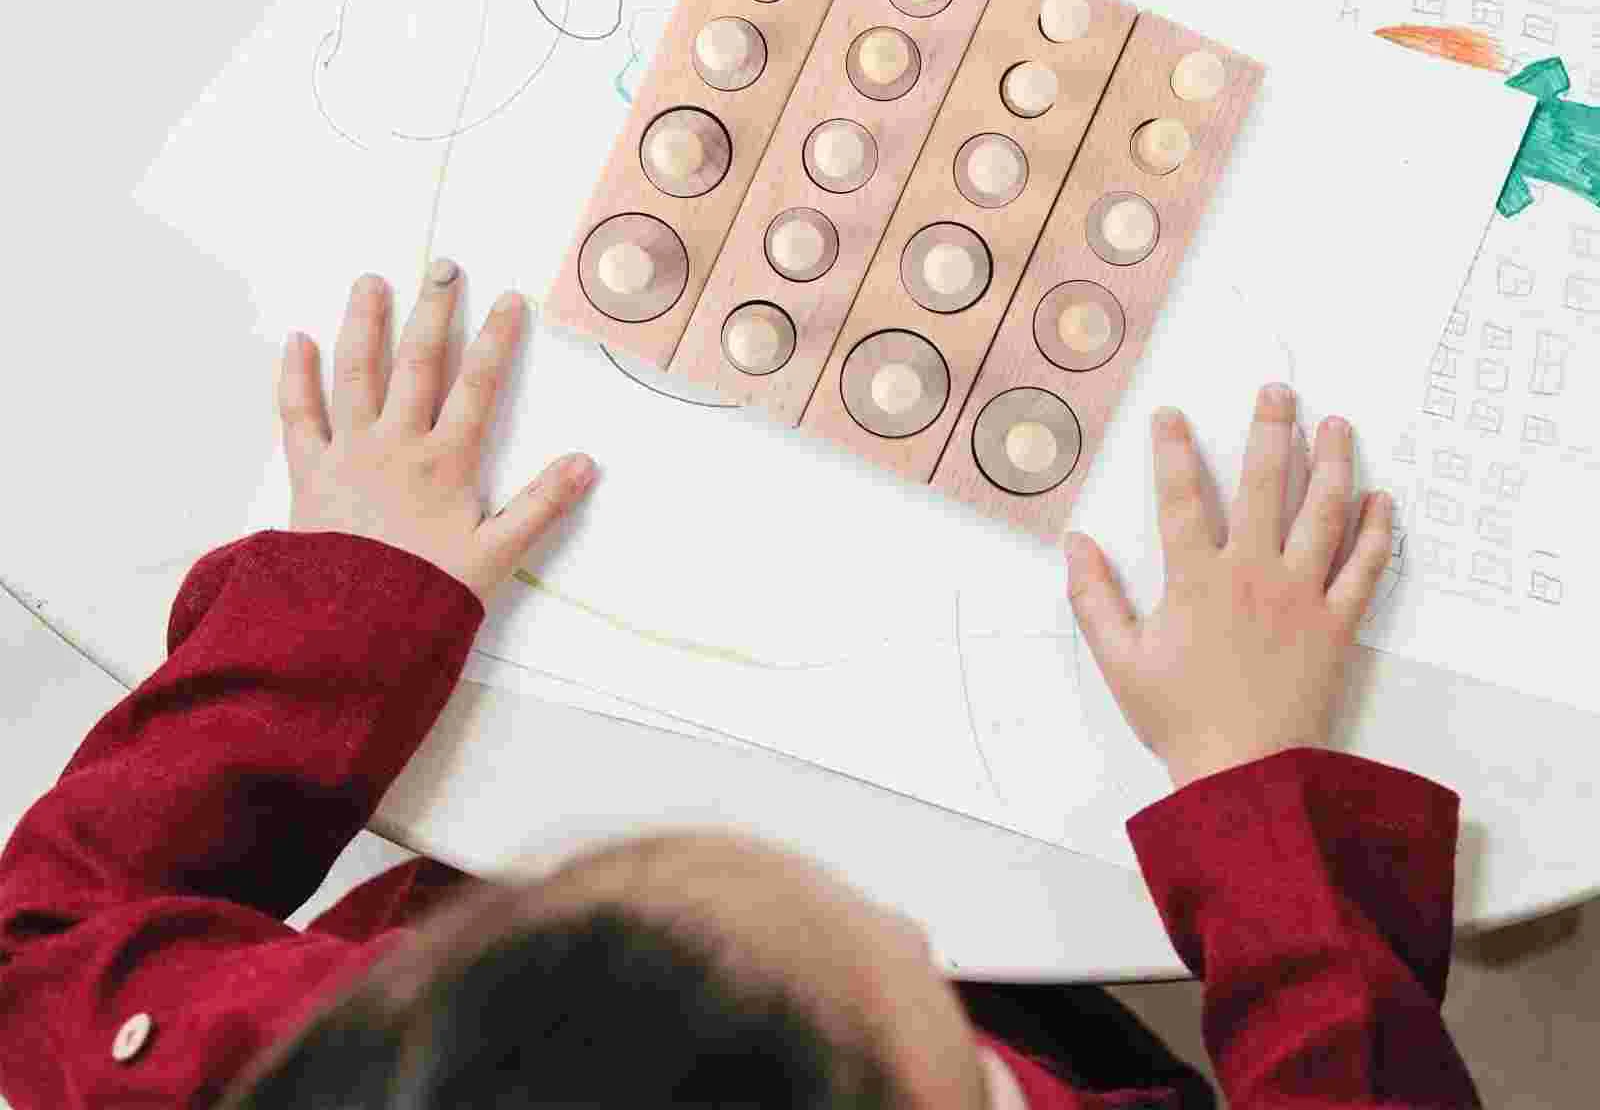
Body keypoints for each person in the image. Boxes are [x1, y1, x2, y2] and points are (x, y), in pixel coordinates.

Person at [0, 264, 1479, 1109]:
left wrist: (344, 595)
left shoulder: (239, 1075)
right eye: (874, 949)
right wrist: (1255, 792)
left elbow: (41, 944)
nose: (893, 905)